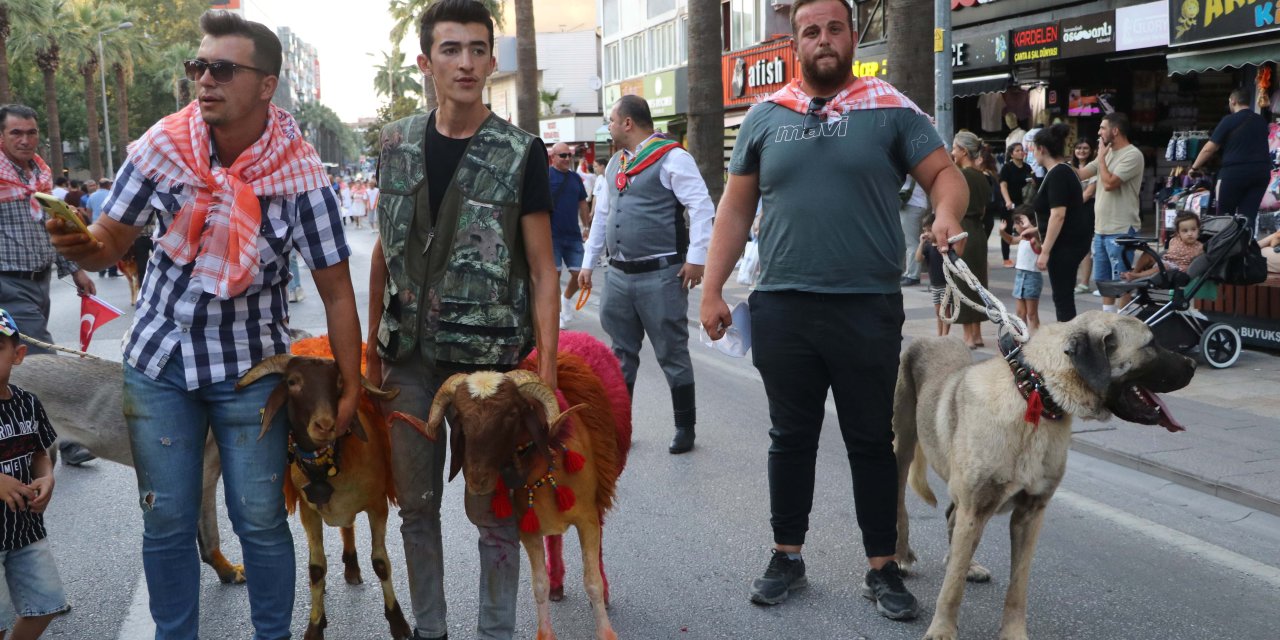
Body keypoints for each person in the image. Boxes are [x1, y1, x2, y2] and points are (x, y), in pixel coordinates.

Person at [46, 12, 363, 639]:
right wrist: (80, 245)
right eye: (198, 66)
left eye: (222, 69)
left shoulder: (302, 180)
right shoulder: (162, 149)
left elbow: (335, 290)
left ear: (266, 85)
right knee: (166, 519)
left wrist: (351, 384)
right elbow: (111, 241)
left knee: (260, 521)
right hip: (160, 363)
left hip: (252, 373)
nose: (204, 80)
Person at [699, 0, 968, 620]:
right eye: (810, 31)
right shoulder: (767, 116)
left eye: (834, 29)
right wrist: (713, 291)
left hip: (865, 308)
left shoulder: (890, 109)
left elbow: (945, 176)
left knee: (870, 439)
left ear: (853, 37)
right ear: (795, 42)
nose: (823, 39)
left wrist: (947, 214)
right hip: (782, 307)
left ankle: (883, 566)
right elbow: (735, 211)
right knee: (789, 437)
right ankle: (786, 555)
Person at [364, 1, 559, 638]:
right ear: (426, 62)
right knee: (416, 507)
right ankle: (431, 630)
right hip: (408, 360)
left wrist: (547, 378)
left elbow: (542, 268)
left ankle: (495, 631)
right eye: (451, 49)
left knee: (493, 508)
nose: (466, 62)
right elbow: (382, 251)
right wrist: (371, 348)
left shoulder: (520, 152)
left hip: (487, 368)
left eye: (477, 49)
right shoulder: (392, 143)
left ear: (492, 60)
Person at [579, 95, 712, 455]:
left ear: (628, 123)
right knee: (621, 354)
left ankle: (685, 427)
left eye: (611, 120)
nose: (608, 127)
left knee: (672, 352)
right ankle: (620, 429)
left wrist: (697, 258)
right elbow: (602, 216)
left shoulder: (672, 157)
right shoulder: (615, 165)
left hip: (660, 274)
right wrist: (589, 263)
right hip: (619, 275)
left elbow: (701, 207)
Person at [0, 103, 97, 467]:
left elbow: (52, 229)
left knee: (17, 363)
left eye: (31, 132)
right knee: (46, 360)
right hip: (7, 283)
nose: (25, 140)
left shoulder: (38, 176)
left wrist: (76, 270)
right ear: (2, 136)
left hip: (39, 283)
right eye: (16, 133)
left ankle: (21, 437)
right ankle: (67, 439)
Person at [0, 309, 68, 640]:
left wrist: (47, 477)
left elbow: (40, 451)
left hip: (25, 530)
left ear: (18, 354)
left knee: (47, 605)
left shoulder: (27, 403)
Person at [1076, 112, 1144, 312]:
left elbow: (1109, 183)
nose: (1098, 132)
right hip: (1101, 229)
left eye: (1102, 128)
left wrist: (1101, 159)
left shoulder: (1133, 154)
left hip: (1121, 228)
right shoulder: (1106, 154)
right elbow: (1081, 174)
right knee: (1104, 280)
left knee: (1122, 279)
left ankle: (1121, 322)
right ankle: (1108, 320)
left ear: (1115, 131)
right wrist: (1055, 165)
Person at [1031, 124, 1094, 322]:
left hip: (1065, 245)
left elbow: (1058, 214)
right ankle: (1070, 341)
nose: (1033, 153)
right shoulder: (1064, 170)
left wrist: (1045, 251)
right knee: (1063, 297)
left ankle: (1070, 344)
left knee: (1063, 298)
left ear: (1042, 149)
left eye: (1033, 148)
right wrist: (1035, 229)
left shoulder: (1058, 173)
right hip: (1070, 241)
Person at [1192, 89, 1272, 232]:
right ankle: (1245, 249)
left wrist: (1194, 168)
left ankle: (1226, 250)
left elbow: (1209, 149)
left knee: (1225, 215)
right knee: (1248, 216)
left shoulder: (1228, 120)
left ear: (1233, 101)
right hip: (1261, 172)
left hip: (1234, 173)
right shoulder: (1261, 120)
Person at [951, 131, 992, 349]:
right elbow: (985, 209)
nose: (952, 152)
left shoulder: (961, 176)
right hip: (979, 231)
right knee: (978, 283)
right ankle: (977, 334)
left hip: (963, 229)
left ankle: (968, 336)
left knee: (964, 283)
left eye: (955, 148)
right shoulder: (983, 176)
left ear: (964, 151)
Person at [547, 142, 589, 328]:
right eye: (562, 155)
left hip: (573, 234)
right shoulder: (545, 175)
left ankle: (566, 299)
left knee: (581, 274)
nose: (567, 159)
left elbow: (582, 203)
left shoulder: (575, 178)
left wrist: (587, 226)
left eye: (569, 155)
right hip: (552, 235)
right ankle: (557, 315)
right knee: (553, 276)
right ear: (553, 157)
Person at [1122, 213, 1203, 280]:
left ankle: (1137, 276)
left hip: (1176, 269)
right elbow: (1167, 253)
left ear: (1198, 230)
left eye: (1193, 229)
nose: (1190, 234)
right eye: (1185, 231)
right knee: (1148, 253)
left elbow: (1197, 263)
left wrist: (1188, 268)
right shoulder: (1175, 240)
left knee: (1164, 266)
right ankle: (1134, 272)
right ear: (1178, 233)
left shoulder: (1200, 247)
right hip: (1163, 261)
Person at [1000, 206, 1042, 332]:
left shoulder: (1034, 238)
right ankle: (1022, 340)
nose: (1014, 227)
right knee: (1020, 313)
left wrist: (1030, 228)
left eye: (1017, 223)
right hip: (1020, 276)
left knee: (1031, 314)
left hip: (1032, 277)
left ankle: (1036, 340)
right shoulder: (1023, 238)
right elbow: (1011, 240)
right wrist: (1002, 232)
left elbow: (1040, 246)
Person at [999, 142, 1035, 266]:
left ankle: (1027, 255)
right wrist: (1008, 201)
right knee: (1007, 228)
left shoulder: (1027, 167)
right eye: (1018, 150)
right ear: (1011, 154)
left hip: (1024, 203)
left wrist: (1033, 182)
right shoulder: (1007, 168)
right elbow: (1003, 186)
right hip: (1010, 203)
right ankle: (1006, 258)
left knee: (1026, 228)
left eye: (1022, 150)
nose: (1021, 152)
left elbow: (1032, 183)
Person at [1069, 140, 1096, 294]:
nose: (1082, 151)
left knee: (1084, 247)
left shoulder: (1093, 168)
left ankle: (1084, 282)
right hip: (1070, 209)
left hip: (1085, 209)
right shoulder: (1069, 166)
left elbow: (1089, 192)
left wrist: (1070, 205)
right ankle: (1072, 280)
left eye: (1085, 148)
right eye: (1078, 147)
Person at [914, 214, 948, 336]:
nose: (926, 234)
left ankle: (945, 335)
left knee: (946, 311)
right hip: (934, 284)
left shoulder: (943, 245)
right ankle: (940, 335)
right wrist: (921, 244)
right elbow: (918, 259)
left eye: (929, 230)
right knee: (938, 311)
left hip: (946, 284)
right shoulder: (927, 247)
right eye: (925, 231)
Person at [898, 177, 928, 286]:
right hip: (915, 204)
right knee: (911, 240)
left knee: (911, 241)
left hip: (912, 204)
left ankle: (912, 274)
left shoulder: (910, 165)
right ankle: (909, 272)